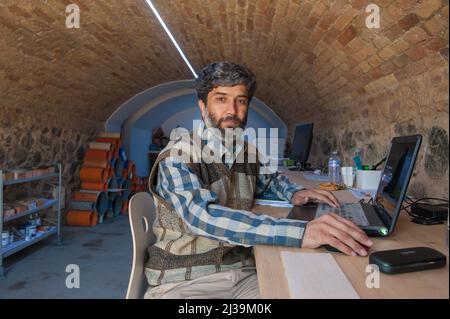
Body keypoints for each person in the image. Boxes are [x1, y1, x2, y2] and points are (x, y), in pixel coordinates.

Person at [144, 61, 373, 299]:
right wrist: (301, 232)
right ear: (203, 106)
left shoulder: (244, 150)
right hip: (185, 281)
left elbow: (268, 180)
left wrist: (294, 192)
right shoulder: (177, 156)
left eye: (241, 100)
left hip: (244, 272)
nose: (232, 110)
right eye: (221, 99)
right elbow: (204, 217)